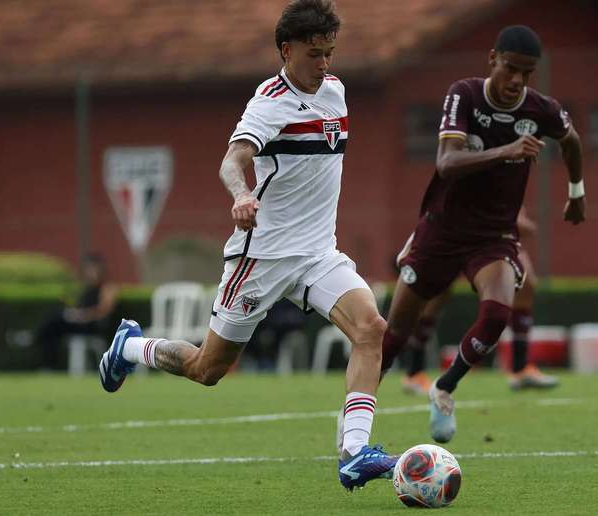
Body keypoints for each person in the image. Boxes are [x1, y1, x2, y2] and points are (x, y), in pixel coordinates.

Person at [97, 0, 396, 491]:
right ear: (287, 49)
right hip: (262, 256)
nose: (325, 65)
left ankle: (355, 453)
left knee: (371, 328)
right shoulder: (269, 101)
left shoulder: (336, 92)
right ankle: (131, 346)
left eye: (330, 53)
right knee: (208, 368)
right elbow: (233, 160)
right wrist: (241, 196)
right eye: (315, 54)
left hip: (319, 253)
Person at [377, 25, 585, 444]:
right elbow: (446, 163)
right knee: (393, 335)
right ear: (493, 59)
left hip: (493, 237)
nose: (516, 81)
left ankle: (444, 388)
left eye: (526, 73)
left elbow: (572, 139)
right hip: (441, 230)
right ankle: (354, 415)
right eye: (510, 68)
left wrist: (576, 192)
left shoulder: (540, 109)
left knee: (496, 315)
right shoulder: (465, 95)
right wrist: (507, 151)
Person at [398, 207, 559, 395]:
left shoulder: (513, 179)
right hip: (460, 232)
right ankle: (414, 372)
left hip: (494, 239)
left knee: (526, 283)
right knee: (437, 294)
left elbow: (516, 215)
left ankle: (520, 368)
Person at [35, 253, 117, 370]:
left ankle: (34, 338)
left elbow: (104, 310)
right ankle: (48, 364)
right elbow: (80, 306)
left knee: (55, 320)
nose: (90, 272)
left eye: (92, 269)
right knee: (54, 326)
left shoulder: (107, 288)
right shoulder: (87, 288)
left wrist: (83, 316)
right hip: (80, 323)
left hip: (92, 326)